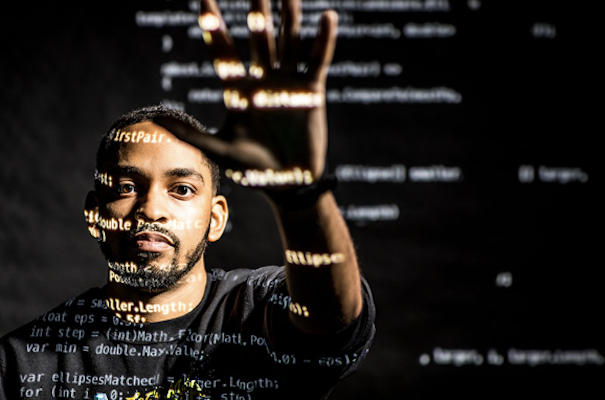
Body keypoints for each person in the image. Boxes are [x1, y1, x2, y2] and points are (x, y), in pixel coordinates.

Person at [0, 1, 375, 399]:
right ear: (94, 215)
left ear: (215, 220)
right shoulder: (22, 365)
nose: (151, 210)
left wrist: (300, 194)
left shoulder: (257, 310)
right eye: (127, 187)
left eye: (181, 189)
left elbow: (332, 319)